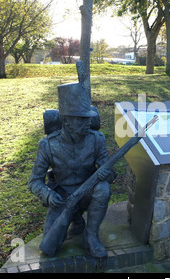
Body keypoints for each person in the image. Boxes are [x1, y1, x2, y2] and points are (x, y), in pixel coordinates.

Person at [29, 81, 116, 258]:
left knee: (103, 189)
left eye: (89, 117)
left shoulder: (96, 139)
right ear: (67, 121)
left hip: (88, 193)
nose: (89, 122)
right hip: (62, 198)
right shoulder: (47, 146)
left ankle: (90, 236)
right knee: (49, 248)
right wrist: (48, 195)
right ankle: (75, 218)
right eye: (82, 118)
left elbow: (111, 173)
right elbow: (34, 181)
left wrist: (108, 175)